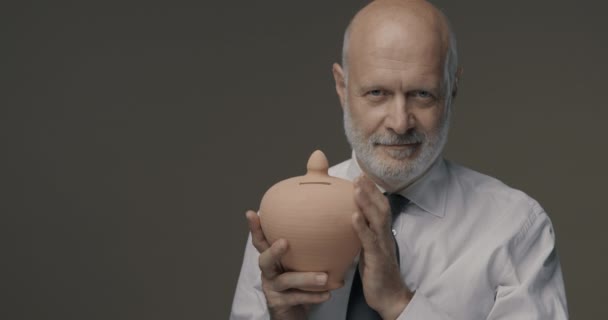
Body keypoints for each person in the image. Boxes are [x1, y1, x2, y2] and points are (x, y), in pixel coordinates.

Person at [230, 0, 568, 319]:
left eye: (422, 94)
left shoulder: (516, 228)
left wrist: (399, 303)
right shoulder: (280, 221)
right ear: (341, 87)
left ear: (452, 90)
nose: (399, 122)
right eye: (377, 93)